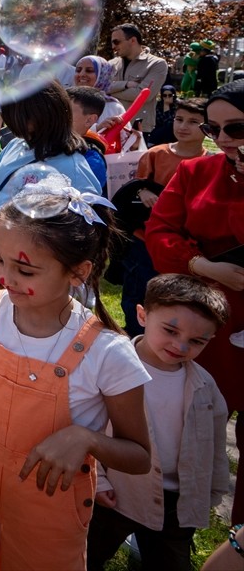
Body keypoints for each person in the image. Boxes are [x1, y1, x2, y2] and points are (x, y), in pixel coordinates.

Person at [0, 180, 152, 570]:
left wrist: (86, 438)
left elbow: (139, 456)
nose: (5, 278)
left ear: (78, 272)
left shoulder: (108, 355)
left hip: (48, 513)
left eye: (25, 270)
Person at [145, 79, 244, 525]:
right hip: (205, 319)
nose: (222, 139)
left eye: (235, 128)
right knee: (190, 421)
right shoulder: (196, 172)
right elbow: (159, 231)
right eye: (214, 128)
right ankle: (166, 515)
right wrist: (202, 265)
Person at [86, 274, 230, 571]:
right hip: (117, 490)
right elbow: (89, 424)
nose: (180, 345)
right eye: (170, 330)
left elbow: (214, 443)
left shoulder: (205, 386)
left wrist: (211, 490)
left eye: (196, 341)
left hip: (176, 501)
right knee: (86, 555)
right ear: (142, 315)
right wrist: (97, 480)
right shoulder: (110, 368)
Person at [0, 81, 102, 271]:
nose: (10, 122)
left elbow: (81, 231)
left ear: (44, 114)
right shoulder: (14, 146)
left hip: (30, 269)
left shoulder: (72, 167)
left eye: (18, 115)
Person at [115, 97, 208, 337]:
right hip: (144, 239)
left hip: (185, 243)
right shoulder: (155, 154)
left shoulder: (209, 163)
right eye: (179, 119)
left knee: (176, 295)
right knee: (138, 291)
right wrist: (142, 191)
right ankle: (135, 337)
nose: (183, 126)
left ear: (208, 128)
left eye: (193, 122)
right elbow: (134, 187)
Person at [107, 24, 169, 135]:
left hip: (137, 129)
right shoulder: (111, 64)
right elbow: (99, 88)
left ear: (133, 40)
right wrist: (125, 84)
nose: (113, 47)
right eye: (111, 43)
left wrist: (110, 92)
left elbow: (143, 96)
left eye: (116, 42)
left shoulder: (156, 64)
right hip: (109, 125)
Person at [67, 86, 110, 193]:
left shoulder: (91, 159)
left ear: (89, 120)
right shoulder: (44, 144)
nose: (58, 116)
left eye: (67, 111)